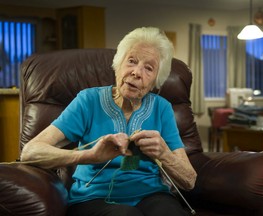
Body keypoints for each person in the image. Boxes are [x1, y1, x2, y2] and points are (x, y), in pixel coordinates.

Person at [21, 27, 197, 216]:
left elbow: (189, 180)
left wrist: (164, 154)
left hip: (152, 195)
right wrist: (89, 156)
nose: (137, 72)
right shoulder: (88, 101)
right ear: (118, 65)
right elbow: (30, 152)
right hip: (93, 198)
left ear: (156, 81)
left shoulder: (162, 108)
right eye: (131, 61)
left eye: (149, 68)